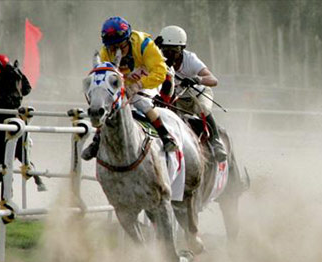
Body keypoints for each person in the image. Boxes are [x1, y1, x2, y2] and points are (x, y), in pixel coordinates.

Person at [82, 16, 177, 161]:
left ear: (127, 39)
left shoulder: (145, 44)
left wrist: (138, 85)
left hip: (151, 80)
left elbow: (159, 73)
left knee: (140, 101)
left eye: (119, 46)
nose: (115, 50)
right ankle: (97, 141)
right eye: (111, 47)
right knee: (108, 105)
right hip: (124, 83)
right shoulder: (106, 52)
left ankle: (166, 136)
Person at [154, 25, 227, 162]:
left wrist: (197, 79)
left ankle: (216, 141)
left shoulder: (190, 59)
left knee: (203, 110)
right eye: (166, 50)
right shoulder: (158, 60)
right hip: (176, 99)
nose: (169, 55)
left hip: (197, 95)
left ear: (182, 49)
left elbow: (213, 80)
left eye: (174, 50)